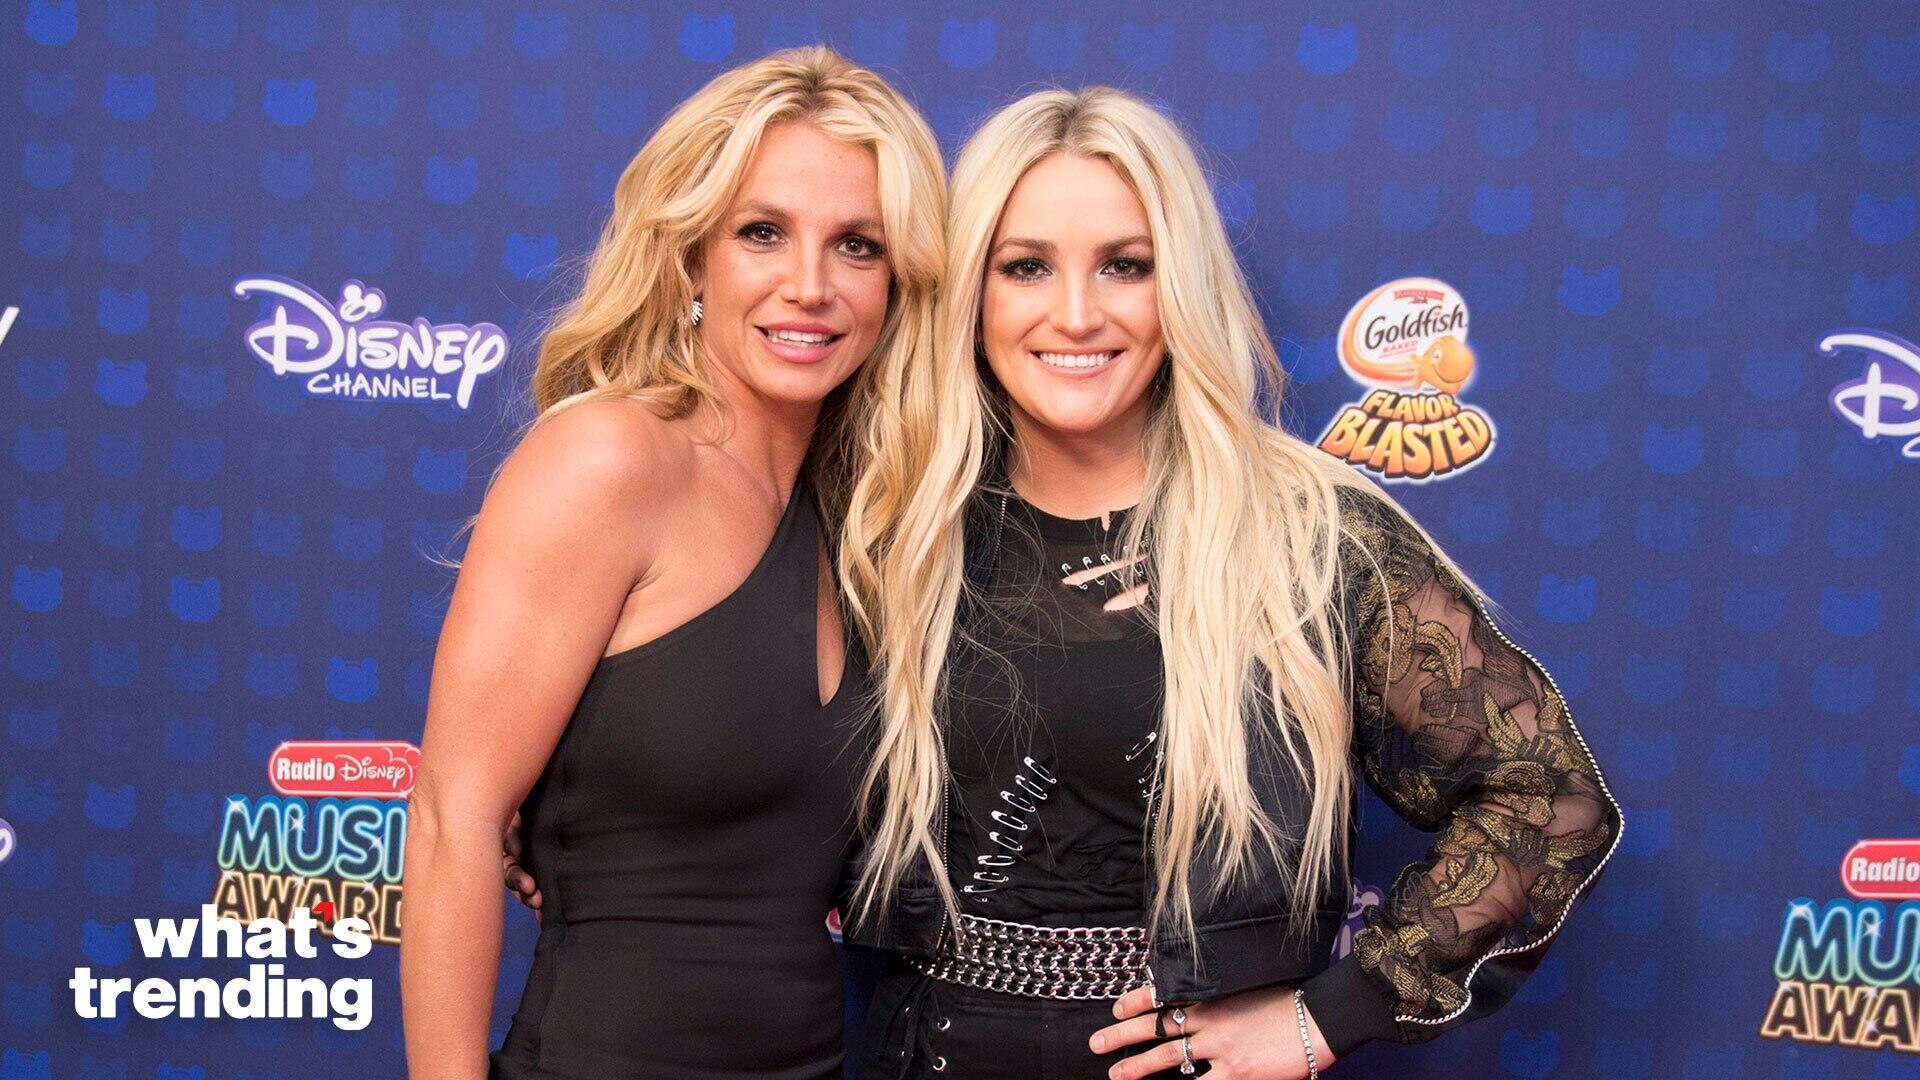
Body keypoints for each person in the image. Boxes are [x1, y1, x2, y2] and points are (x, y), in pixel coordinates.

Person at [833, 87, 1625, 1079]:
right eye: (1025, 266)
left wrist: (1325, 1017)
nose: (1075, 313)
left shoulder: (1308, 535)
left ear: (1181, 286)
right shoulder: (893, 525)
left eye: (1126, 265)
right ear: (969, 292)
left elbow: (1550, 799)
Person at [402, 47, 945, 1080]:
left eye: (857, 245)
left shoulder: (865, 525)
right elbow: (449, 822)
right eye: (762, 233)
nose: (810, 286)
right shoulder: (610, 459)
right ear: (692, 259)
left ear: (898, 282)